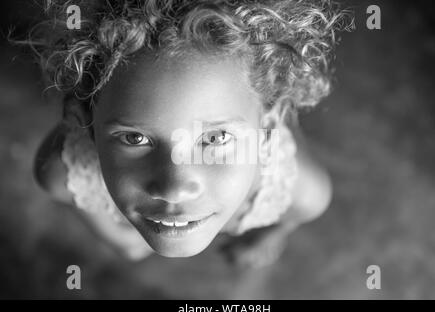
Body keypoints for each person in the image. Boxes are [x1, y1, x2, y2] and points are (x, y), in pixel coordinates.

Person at [31, 0, 351, 267]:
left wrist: (273, 233)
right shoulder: (59, 173)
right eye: (135, 138)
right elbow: (70, 196)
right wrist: (114, 235)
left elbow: (293, 216)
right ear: (84, 122)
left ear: (268, 127)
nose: (173, 189)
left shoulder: (304, 192)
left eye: (214, 139)